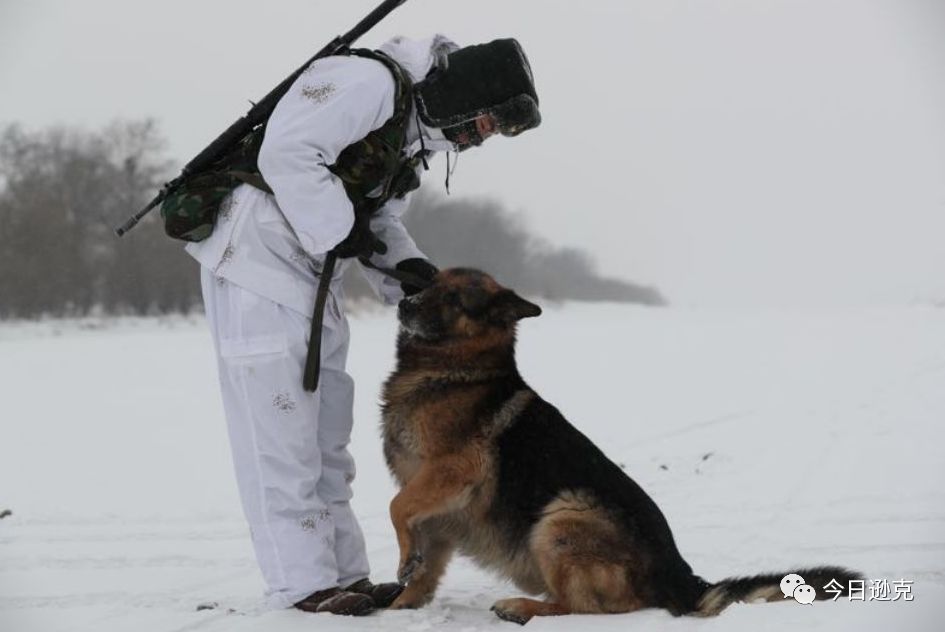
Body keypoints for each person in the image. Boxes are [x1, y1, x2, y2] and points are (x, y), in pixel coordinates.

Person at [185, 34, 541, 616]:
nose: (476, 139)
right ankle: (302, 584)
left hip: (309, 277)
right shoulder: (366, 83)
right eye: (481, 124)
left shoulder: (410, 137)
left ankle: (344, 573)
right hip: (255, 268)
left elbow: (377, 223)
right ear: (467, 94)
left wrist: (411, 276)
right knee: (280, 438)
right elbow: (287, 154)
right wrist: (340, 229)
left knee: (326, 435)